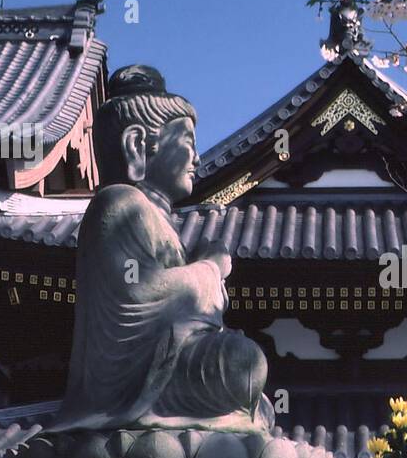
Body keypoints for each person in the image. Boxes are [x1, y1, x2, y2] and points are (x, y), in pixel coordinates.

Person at [52, 64, 272, 432]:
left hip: (171, 377)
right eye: (188, 143)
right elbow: (138, 297)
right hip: (128, 394)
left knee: (250, 378)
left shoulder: (162, 222)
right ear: (137, 146)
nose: (197, 159)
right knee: (241, 362)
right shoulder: (120, 204)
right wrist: (211, 270)